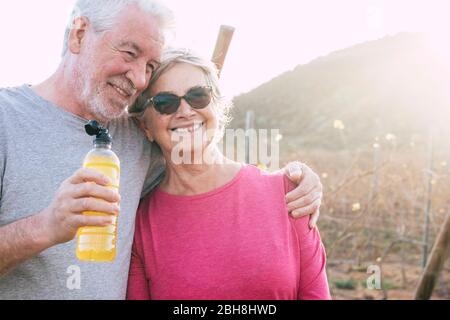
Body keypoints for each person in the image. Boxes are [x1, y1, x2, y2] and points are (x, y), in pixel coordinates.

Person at [0, 0, 322, 300]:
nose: (139, 78)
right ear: (80, 33)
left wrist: (296, 179)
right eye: (129, 52)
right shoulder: (6, 119)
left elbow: (201, 161)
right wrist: (42, 228)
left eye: (150, 65)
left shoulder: (133, 134)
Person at [126, 49, 331, 300]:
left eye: (198, 96)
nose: (186, 111)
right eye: (165, 103)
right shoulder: (139, 226)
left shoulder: (290, 193)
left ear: (217, 108)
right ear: (144, 125)